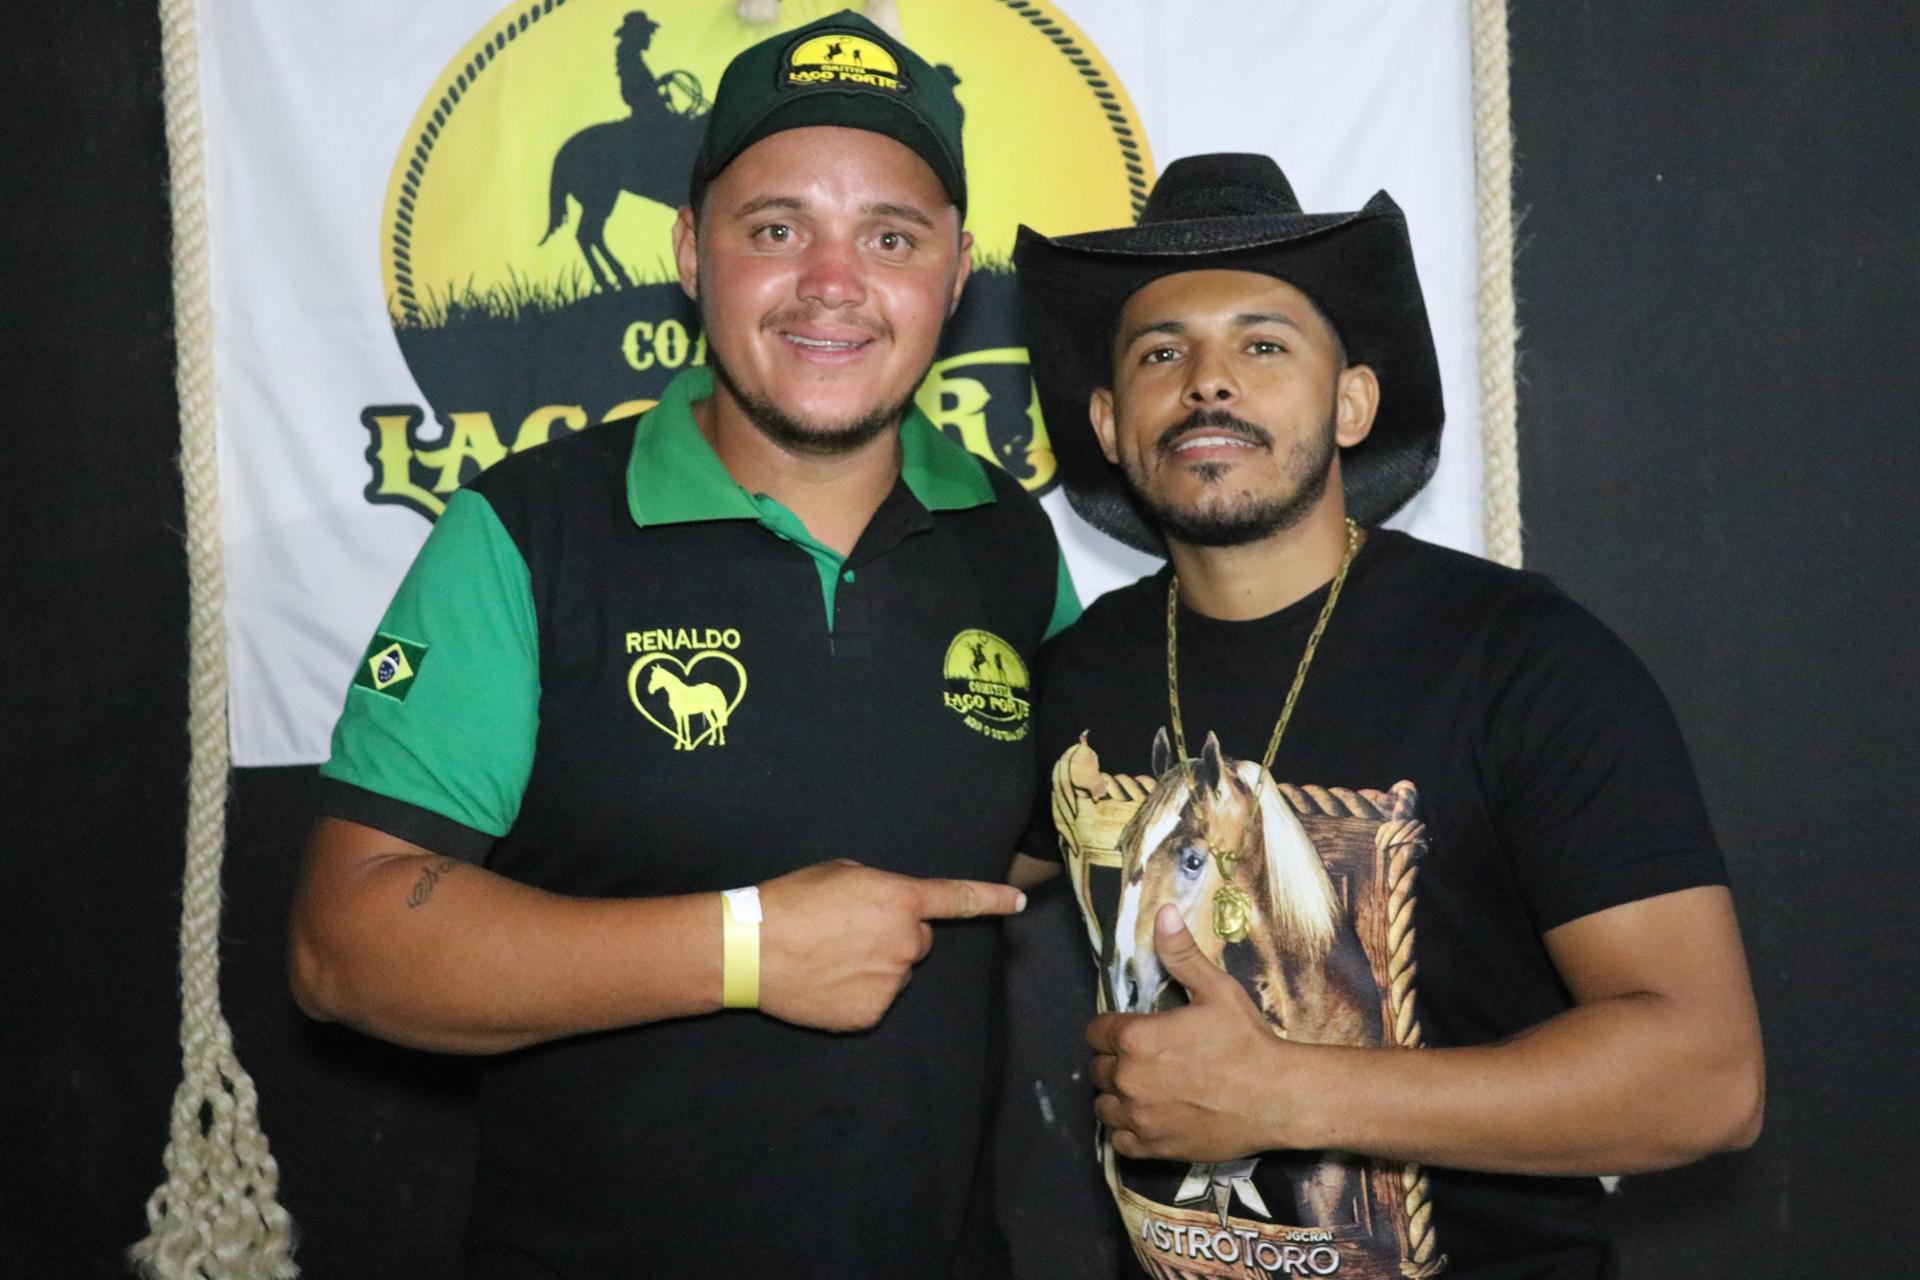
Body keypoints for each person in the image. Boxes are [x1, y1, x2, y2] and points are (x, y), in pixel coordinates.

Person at [290, 12, 1077, 1277]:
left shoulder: (1009, 539)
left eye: (891, 235)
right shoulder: (530, 528)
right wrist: (747, 948)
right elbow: (347, 941)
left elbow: (1037, 828)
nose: (834, 279)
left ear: (956, 271)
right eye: (777, 229)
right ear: (689, 250)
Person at [1010, 154, 1763, 1277]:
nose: (1208, 383)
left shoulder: (1519, 659)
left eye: (1264, 346)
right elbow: (922, 873)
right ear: (1110, 424)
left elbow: (1707, 1080)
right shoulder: (1076, 676)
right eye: (1162, 353)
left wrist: (1284, 1092)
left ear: (1353, 402)